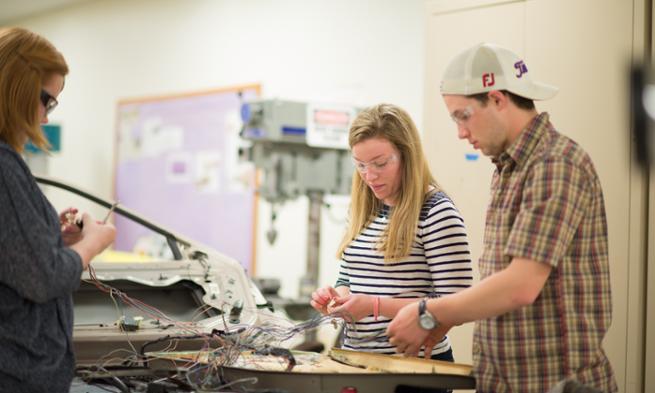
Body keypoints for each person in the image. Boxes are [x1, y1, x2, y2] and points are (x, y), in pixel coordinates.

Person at [386, 43, 618, 393]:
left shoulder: (555, 164)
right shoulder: (507, 170)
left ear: (497, 99)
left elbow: (520, 286)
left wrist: (429, 312)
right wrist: (444, 316)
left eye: (462, 116)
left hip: (552, 383)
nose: (460, 133)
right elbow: (500, 283)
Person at [0, 27, 116, 393]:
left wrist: (55, 239)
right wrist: (93, 242)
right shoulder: (4, 168)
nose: (46, 117)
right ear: (16, 87)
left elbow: (18, 261)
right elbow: (44, 279)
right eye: (47, 101)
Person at [310, 103, 473, 363]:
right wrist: (336, 297)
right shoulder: (363, 207)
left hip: (413, 365)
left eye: (380, 163)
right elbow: (349, 278)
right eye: (360, 165)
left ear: (407, 156)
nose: (369, 176)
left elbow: (458, 305)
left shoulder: (436, 211)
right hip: (356, 358)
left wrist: (374, 306)